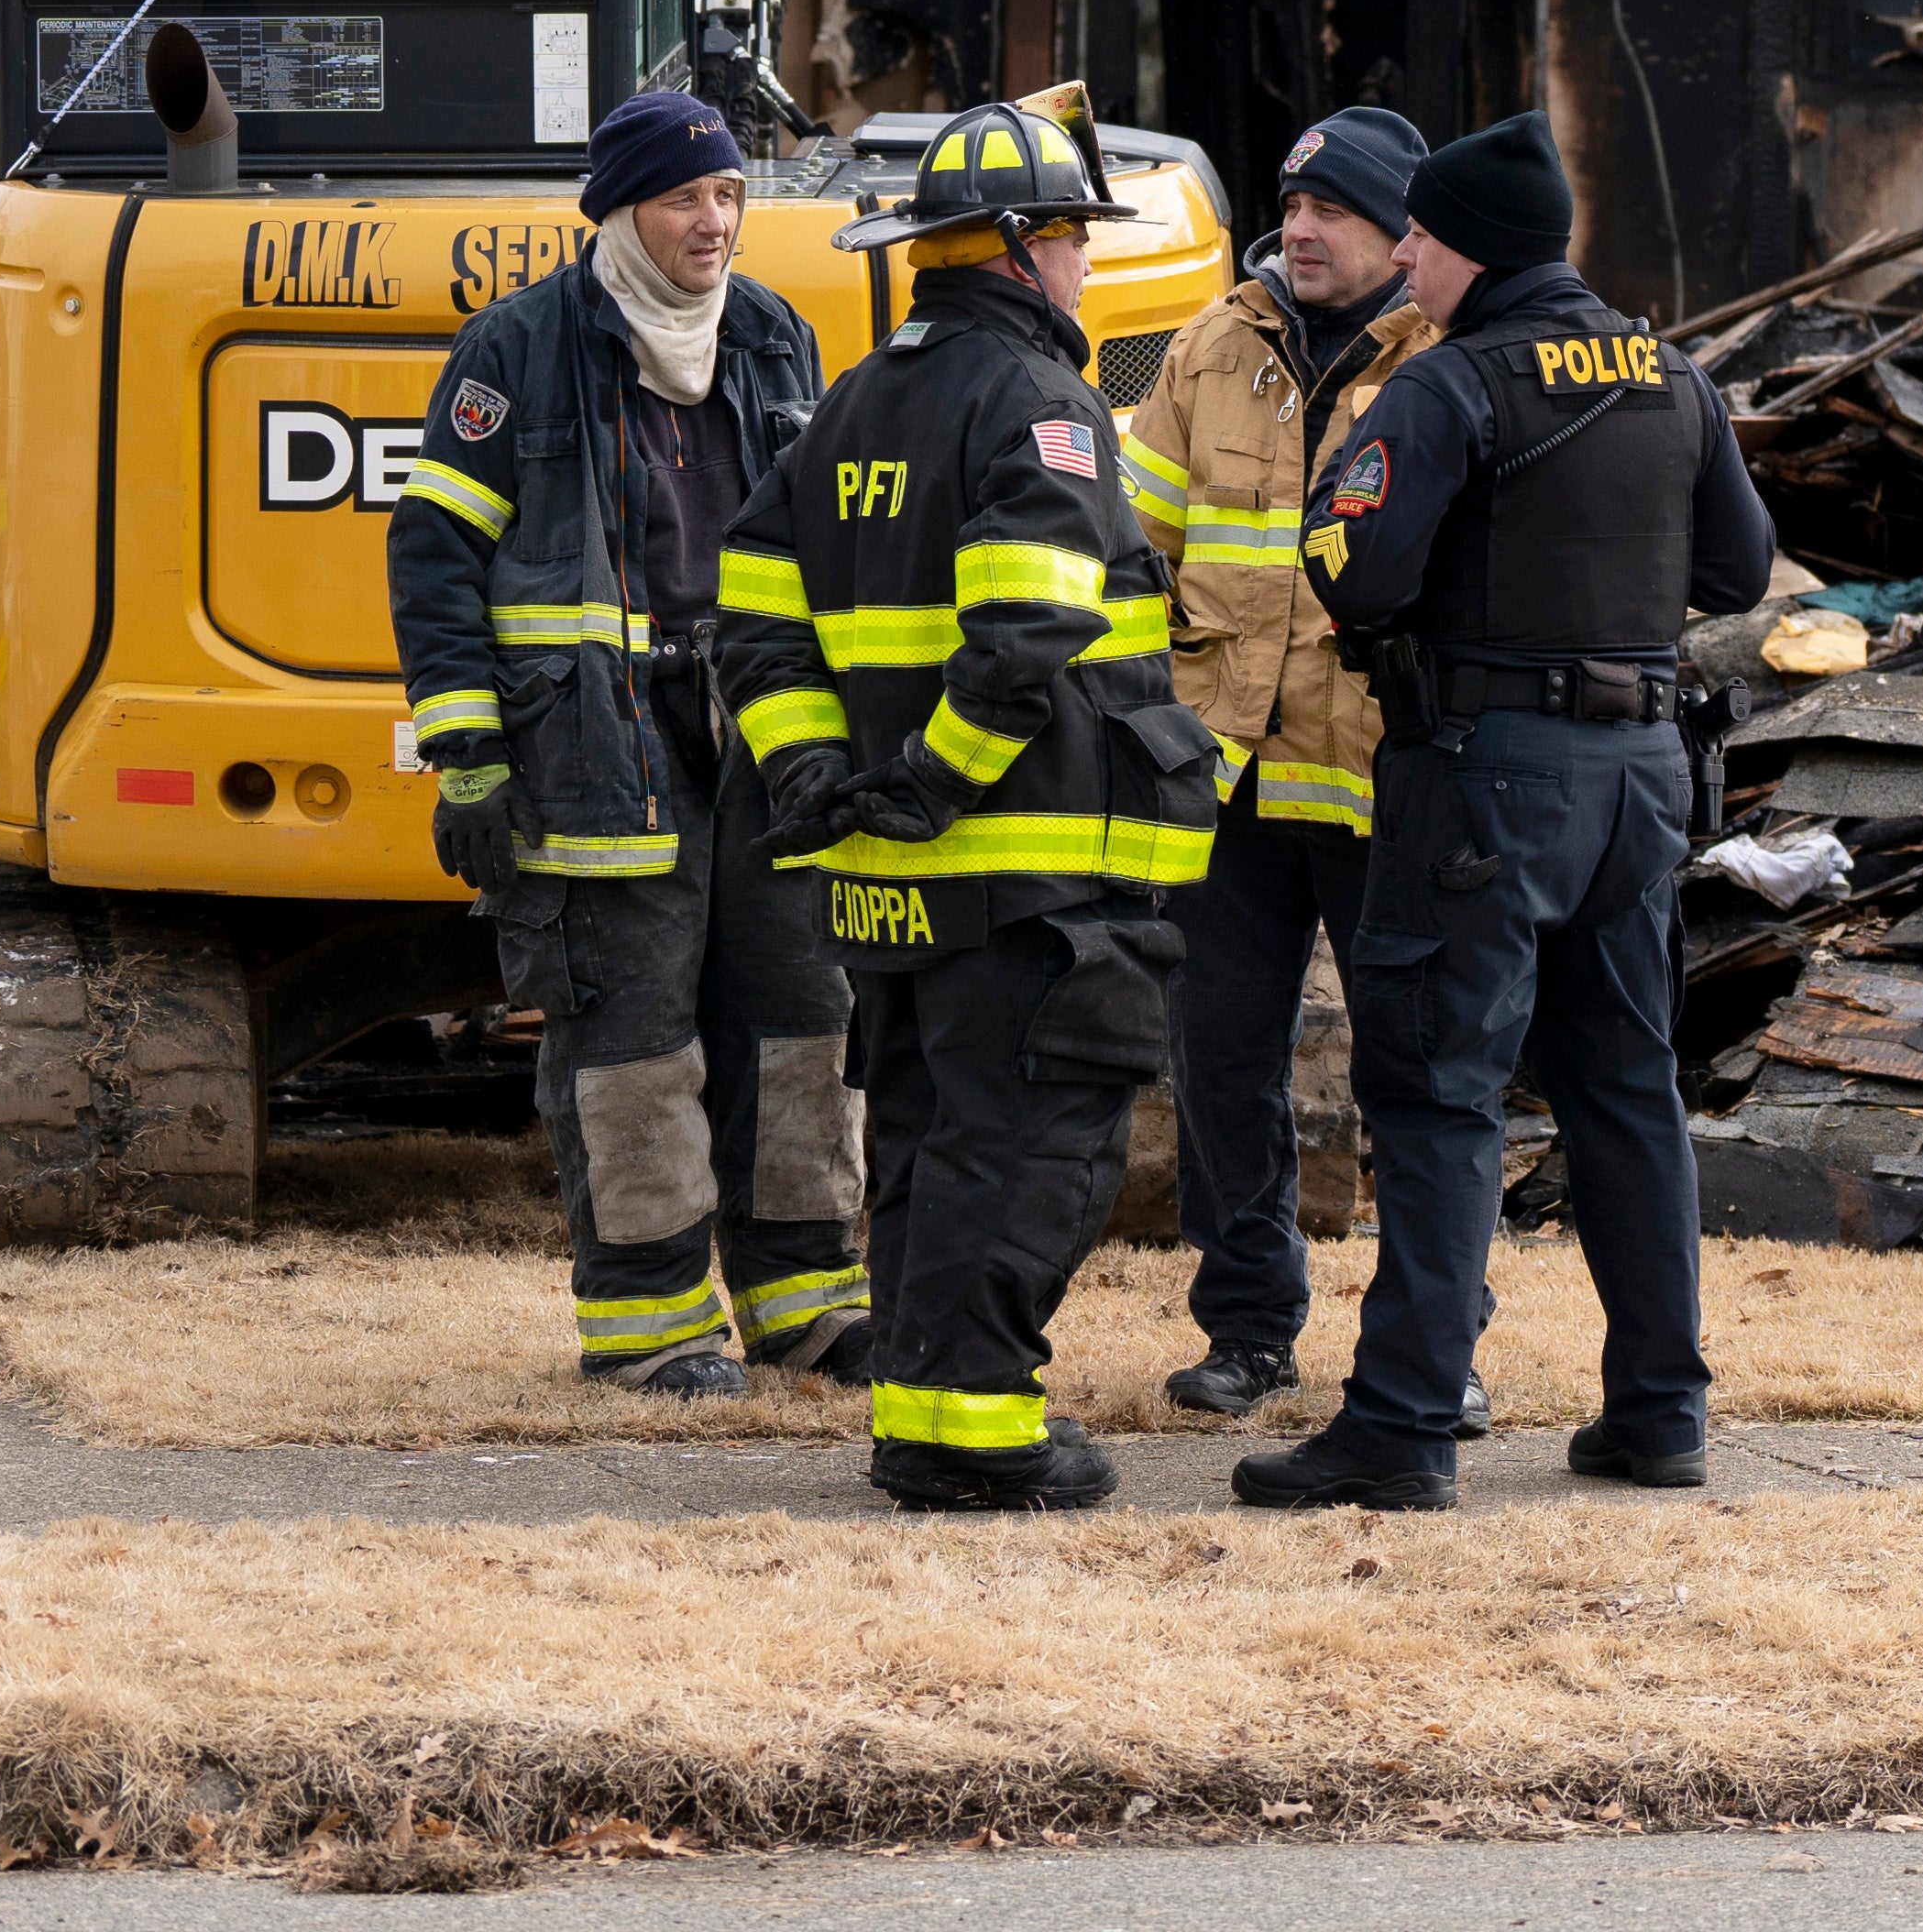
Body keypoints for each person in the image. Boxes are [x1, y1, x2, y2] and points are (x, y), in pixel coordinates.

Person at [1237, 109, 1769, 1512]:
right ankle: (1661, 1415)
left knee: (1437, 1095)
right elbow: (1744, 568)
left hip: (1480, 778)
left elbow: (1352, 575)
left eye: (1417, 236)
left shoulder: (1455, 383)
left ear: (1469, 250)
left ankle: (1402, 1428)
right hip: (1641, 780)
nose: (1403, 256)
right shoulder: (1670, 374)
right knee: (1626, 1091)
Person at [710, 100, 1215, 1511]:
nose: (1083, 271)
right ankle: (980, 1436)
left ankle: (922, 1423)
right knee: (1033, 1150)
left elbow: (751, 618)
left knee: (930, 1151)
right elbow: (1028, 628)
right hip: (1030, 874)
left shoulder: (859, 400)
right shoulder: (1041, 406)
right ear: (1014, 250)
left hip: (897, 883)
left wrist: (816, 775)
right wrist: (935, 779)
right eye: (1070, 241)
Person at [387, 87, 860, 1394]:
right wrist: (470, 756)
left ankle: (811, 1305)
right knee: (635, 1045)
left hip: (761, 741)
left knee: (799, 1021)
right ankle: (653, 1329)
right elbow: (434, 563)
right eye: (683, 199)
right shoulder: (518, 350)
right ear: (618, 212)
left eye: (728, 198)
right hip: (598, 750)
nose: (714, 223)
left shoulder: (773, 340)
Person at [1107, 104, 1439, 1423]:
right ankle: (1246, 1327)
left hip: (1382, 780)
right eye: (1293, 207)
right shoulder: (1207, 347)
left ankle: (1431, 1339)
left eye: (1334, 212)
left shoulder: (1446, 361)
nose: (1299, 230)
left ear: (1400, 235)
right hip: (1227, 781)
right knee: (1220, 1059)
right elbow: (1138, 554)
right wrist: (1152, 728)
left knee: (1414, 1071)